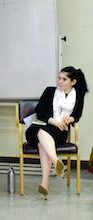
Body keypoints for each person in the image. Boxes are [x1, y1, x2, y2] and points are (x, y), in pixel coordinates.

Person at [25, 66, 88, 198]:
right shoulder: (49, 91)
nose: (60, 81)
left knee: (43, 143)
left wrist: (70, 118)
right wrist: (56, 122)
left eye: (64, 79)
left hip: (59, 132)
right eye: (59, 78)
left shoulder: (78, 95)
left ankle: (45, 182)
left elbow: (77, 115)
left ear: (73, 82)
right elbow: (40, 112)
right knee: (42, 133)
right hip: (38, 127)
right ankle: (55, 161)